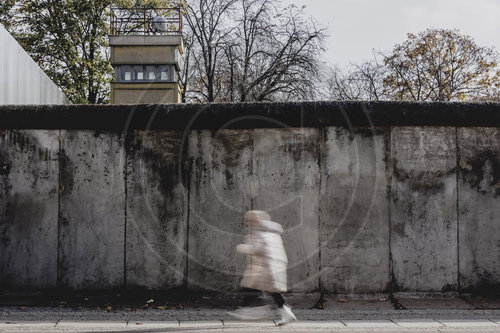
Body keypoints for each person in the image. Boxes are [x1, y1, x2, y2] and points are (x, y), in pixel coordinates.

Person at [228, 210, 297, 326]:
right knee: (269, 291)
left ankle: (253, 311)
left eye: (250, 220)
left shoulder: (259, 232)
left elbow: (259, 250)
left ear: (255, 220)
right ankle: (282, 312)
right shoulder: (270, 231)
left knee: (251, 289)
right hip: (270, 266)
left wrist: (243, 248)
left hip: (265, 267)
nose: (248, 222)